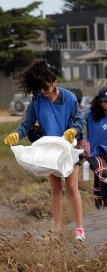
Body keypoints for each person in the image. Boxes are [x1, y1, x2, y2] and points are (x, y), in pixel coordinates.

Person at [3, 59, 86, 241]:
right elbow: (26, 124)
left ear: (54, 81)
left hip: (70, 147)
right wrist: (17, 134)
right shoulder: (37, 101)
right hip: (50, 150)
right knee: (56, 188)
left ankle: (79, 229)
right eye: (39, 88)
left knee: (72, 187)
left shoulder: (69, 97)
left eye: (45, 86)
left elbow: (80, 121)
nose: (43, 91)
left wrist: (74, 129)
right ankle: (57, 230)